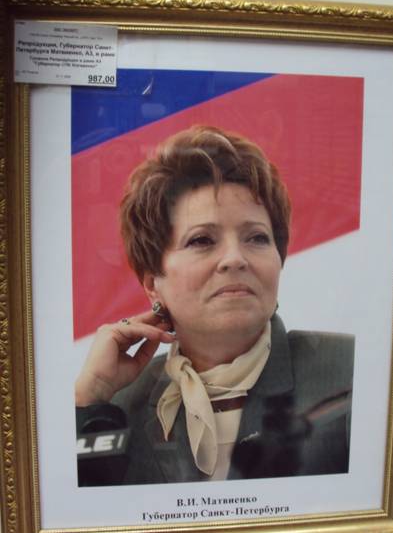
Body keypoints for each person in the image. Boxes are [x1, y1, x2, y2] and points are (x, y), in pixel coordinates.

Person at [75, 125, 354, 485]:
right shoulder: (116, 404)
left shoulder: (352, 370)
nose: (235, 258)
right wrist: (89, 399)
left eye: (257, 237)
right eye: (202, 240)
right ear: (152, 283)